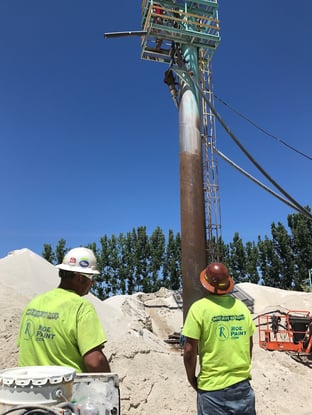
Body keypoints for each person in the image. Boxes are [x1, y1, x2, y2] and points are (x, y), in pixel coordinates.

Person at [17, 247, 111, 373]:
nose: (92, 283)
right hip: (65, 389)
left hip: (28, 387)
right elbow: (95, 362)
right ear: (79, 278)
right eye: (91, 278)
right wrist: (110, 388)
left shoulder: (34, 303)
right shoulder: (81, 307)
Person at [182, 262, 256, 415]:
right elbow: (249, 344)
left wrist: (191, 379)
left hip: (212, 390)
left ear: (206, 283)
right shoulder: (242, 308)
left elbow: (189, 350)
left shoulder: (199, 308)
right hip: (242, 387)